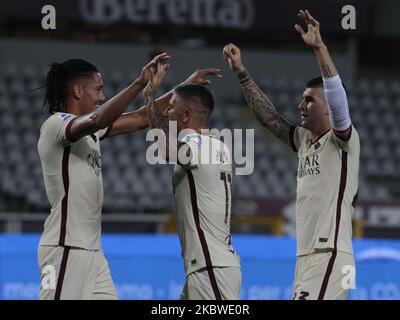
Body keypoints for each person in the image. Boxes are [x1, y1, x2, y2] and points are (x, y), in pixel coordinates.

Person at [37, 53, 221, 300]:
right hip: (65, 246)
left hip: (92, 250)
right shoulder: (56, 125)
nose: (102, 96)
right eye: (98, 89)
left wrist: (182, 91)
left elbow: (141, 118)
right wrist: (138, 84)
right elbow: (99, 117)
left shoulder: (91, 131)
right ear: (78, 90)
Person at [223, 9, 360, 300]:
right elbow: (270, 119)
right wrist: (241, 74)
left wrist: (320, 49)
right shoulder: (303, 140)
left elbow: (338, 101)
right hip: (306, 254)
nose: (300, 105)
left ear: (327, 108)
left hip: (330, 254)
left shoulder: (342, 141)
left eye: (309, 101)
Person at [143, 62, 241, 300]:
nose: (166, 113)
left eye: (171, 108)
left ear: (186, 115)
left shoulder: (196, 143)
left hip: (210, 268)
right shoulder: (217, 145)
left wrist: (149, 94)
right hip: (210, 266)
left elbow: (164, 148)